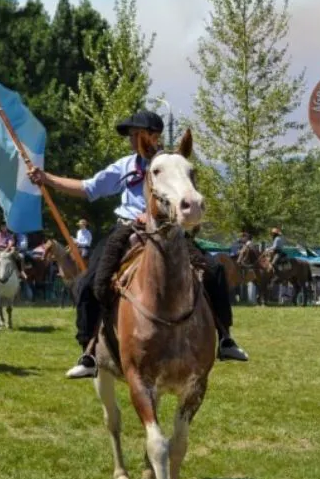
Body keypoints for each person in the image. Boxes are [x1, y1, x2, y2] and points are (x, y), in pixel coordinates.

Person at [26, 109, 249, 379]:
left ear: (153, 136)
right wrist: (46, 178)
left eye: (136, 134)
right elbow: (88, 188)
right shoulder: (125, 166)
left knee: (215, 271)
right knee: (88, 284)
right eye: (131, 135)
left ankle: (225, 338)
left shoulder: (174, 164)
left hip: (170, 231)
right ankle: (89, 351)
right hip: (128, 228)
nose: (132, 140)